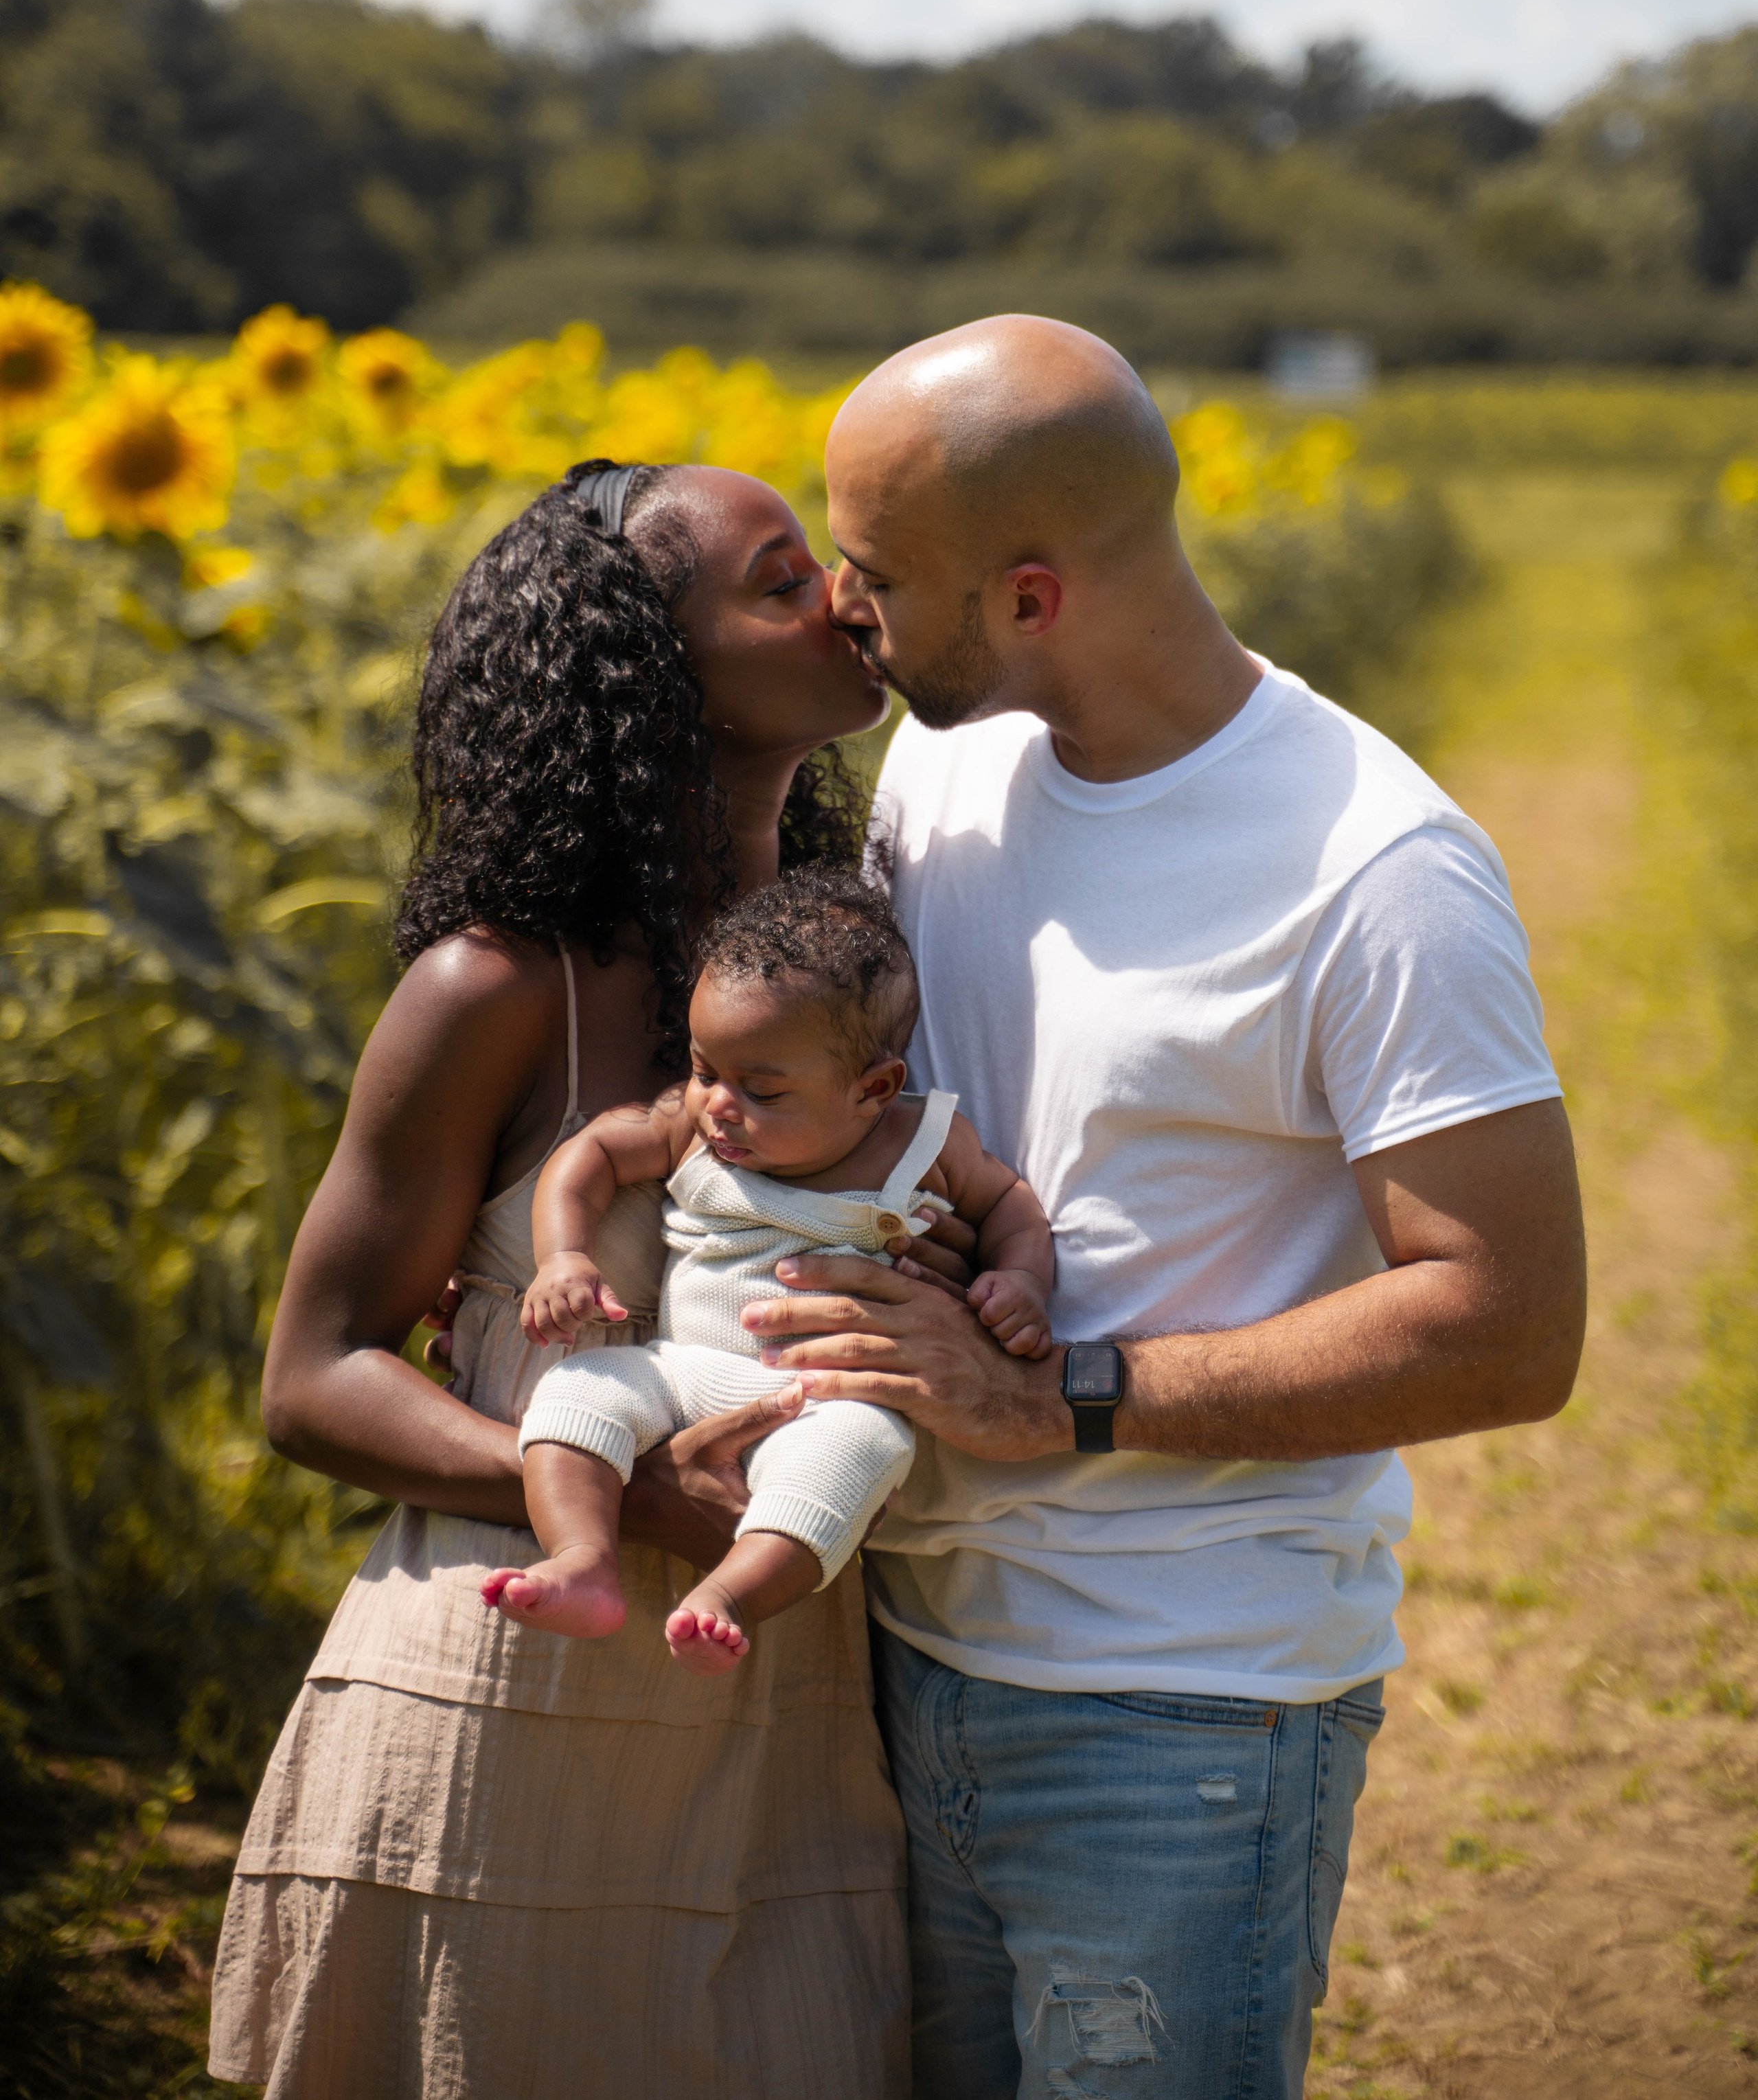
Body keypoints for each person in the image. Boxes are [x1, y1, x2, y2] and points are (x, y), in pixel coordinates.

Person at [742, 317, 1588, 2100]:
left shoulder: (1376, 865)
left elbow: (1507, 1319)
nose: (841, 601)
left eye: (879, 569)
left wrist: (1074, 1390)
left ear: (1033, 594)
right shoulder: (944, 772)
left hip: (1183, 1705)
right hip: (897, 1651)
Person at [207, 457, 928, 2100]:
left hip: (781, 1722)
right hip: (500, 1712)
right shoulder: (497, 986)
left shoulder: (866, 970)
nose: (841, 599)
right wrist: (624, 1484)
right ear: (642, 667)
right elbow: (310, 1373)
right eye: (774, 578)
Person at [482, 867, 1055, 1669]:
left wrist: (1020, 1281)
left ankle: (729, 1598)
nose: (717, 1103)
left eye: (761, 1090)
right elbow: (592, 1156)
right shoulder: (690, 1126)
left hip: (827, 1397)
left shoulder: (920, 1144)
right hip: (681, 1371)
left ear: (873, 1089)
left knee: (857, 1453)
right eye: (705, 1067)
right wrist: (563, 1255)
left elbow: (1012, 1206)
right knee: (576, 1393)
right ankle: (583, 1557)